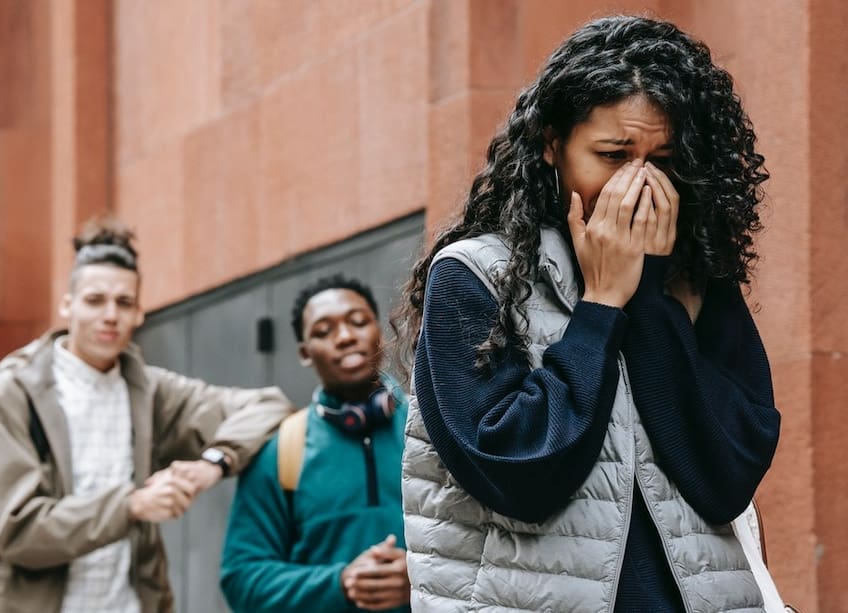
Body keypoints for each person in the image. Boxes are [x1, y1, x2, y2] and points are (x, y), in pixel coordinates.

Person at [396, 15, 781, 612]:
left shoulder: (694, 278)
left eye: (665, 159)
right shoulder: (475, 275)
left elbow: (726, 475)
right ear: (552, 144)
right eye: (612, 154)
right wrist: (601, 306)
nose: (639, 184)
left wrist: (649, 298)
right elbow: (517, 475)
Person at [0, 217, 294, 613]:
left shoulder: (150, 391)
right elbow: (17, 530)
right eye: (94, 300)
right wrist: (131, 506)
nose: (110, 315)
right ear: (67, 305)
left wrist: (214, 462)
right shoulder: (11, 394)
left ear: (139, 313)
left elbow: (268, 405)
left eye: (123, 302)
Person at [220, 275, 410, 613]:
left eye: (358, 322)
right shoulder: (280, 451)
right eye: (324, 331)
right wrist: (339, 583)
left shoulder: (429, 430)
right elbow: (241, 578)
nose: (346, 337)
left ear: (379, 331)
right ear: (305, 353)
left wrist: (420, 575)